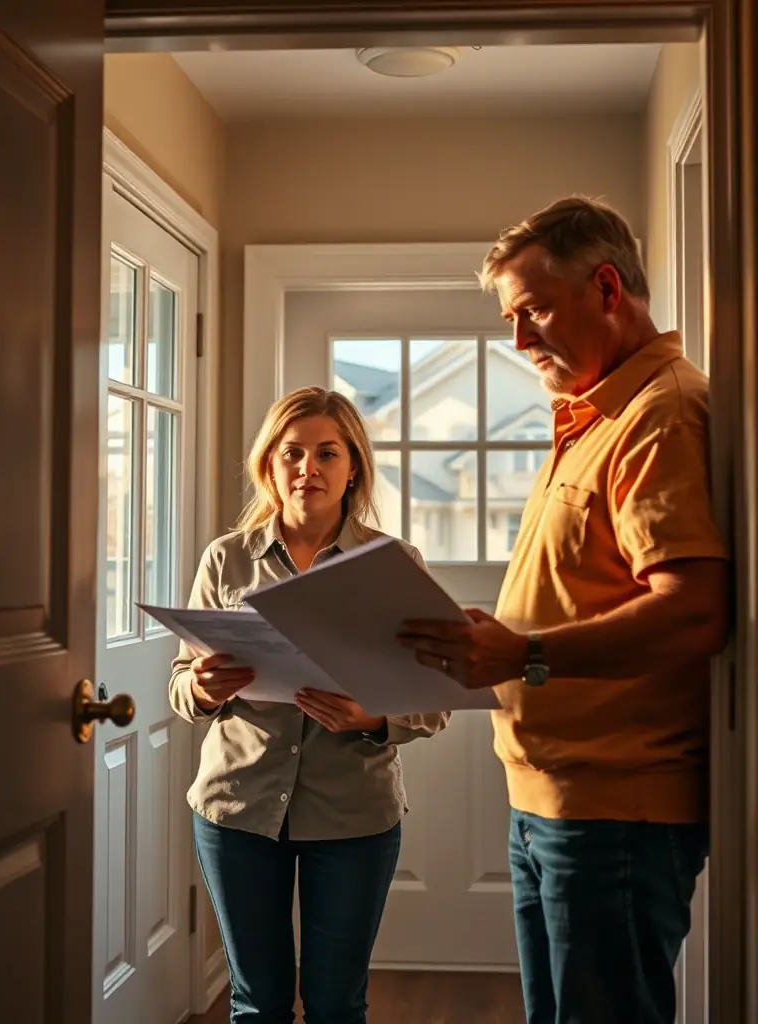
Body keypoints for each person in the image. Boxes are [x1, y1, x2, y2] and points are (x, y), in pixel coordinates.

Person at [398, 197, 729, 1024]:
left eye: (534, 310)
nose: (519, 340)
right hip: (550, 797)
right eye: (511, 319)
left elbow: (693, 611)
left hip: (613, 812)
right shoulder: (591, 417)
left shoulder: (660, 414)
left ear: (607, 287)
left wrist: (525, 654)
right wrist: (506, 634)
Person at [170, 386, 449, 1024]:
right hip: (234, 810)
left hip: (354, 818)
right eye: (292, 453)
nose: (308, 468)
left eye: (327, 453)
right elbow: (182, 684)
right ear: (269, 464)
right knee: (256, 1004)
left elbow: (435, 701)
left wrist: (373, 717)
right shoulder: (226, 558)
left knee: (336, 1005)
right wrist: (202, 688)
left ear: (353, 466)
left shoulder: (394, 563)